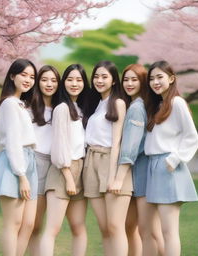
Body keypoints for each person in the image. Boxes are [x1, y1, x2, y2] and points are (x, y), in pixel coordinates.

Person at [0, 58, 38, 256]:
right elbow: (13, 141)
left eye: (32, 77)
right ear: (12, 76)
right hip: (16, 164)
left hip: (29, 161)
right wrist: (21, 175)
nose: (28, 80)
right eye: (24, 75)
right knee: (13, 223)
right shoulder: (9, 104)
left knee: (28, 223)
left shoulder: (22, 105)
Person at [145, 60, 198, 256]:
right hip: (154, 167)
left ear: (171, 78)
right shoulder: (158, 105)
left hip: (168, 168)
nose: (155, 82)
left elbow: (191, 137)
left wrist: (175, 159)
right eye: (151, 78)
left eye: (159, 77)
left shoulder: (177, 103)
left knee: (169, 231)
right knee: (157, 230)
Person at [83, 60, 132, 256]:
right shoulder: (97, 105)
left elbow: (118, 142)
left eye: (104, 76)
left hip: (110, 162)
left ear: (113, 81)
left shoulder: (118, 103)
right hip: (91, 162)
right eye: (96, 76)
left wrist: (113, 177)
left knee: (115, 226)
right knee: (104, 228)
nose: (99, 80)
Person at [39, 64, 89, 256]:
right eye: (70, 79)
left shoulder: (81, 109)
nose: (74, 84)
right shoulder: (61, 109)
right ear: (63, 83)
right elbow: (59, 146)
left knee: (79, 227)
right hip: (62, 171)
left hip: (80, 170)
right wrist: (68, 177)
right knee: (53, 229)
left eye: (78, 80)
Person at [117, 64, 164, 256]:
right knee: (135, 228)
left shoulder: (137, 108)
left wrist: (119, 177)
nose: (129, 83)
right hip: (139, 173)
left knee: (149, 230)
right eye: (126, 79)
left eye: (134, 79)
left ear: (143, 81)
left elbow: (130, 148)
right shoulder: (141, 105)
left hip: (143, 173)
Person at [28, 65, 60, 256]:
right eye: (44, 79)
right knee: (34, 224)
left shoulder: (62, 108)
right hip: (35, 164)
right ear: (38, 82)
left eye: (54, 80)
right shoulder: (29, 107)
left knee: (49, 226)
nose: (49, 84)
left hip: (56, 166)